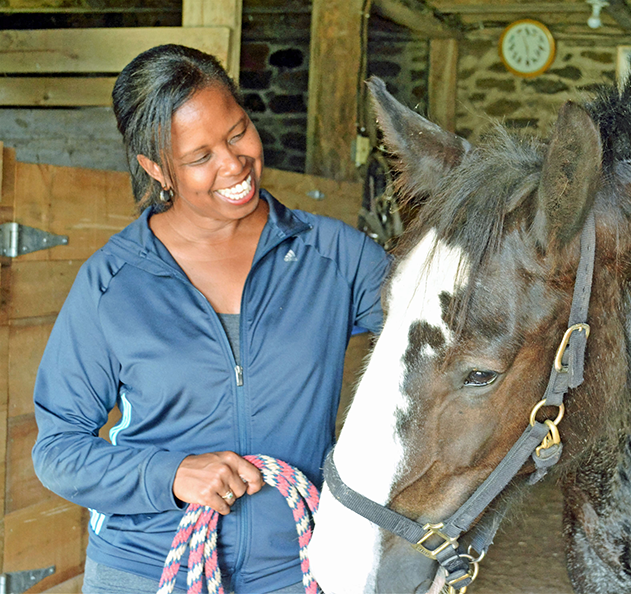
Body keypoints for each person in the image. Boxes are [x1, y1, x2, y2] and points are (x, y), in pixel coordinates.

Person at [31, 44, 390, 593]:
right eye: (200, 157)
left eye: (238, 132)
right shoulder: (113, 283)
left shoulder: (336, 258)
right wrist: (171, 475)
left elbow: (442, 328)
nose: (234, 163)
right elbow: (58, 449)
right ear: (157, 169)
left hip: (296, 570)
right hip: (146, 571)